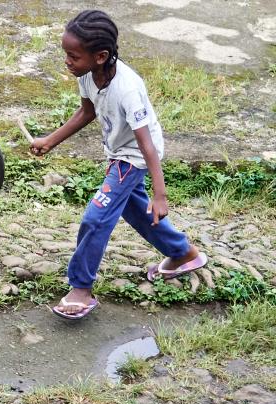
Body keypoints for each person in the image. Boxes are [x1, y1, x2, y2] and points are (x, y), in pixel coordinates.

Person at [29, 9, 206, 320]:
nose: (67, 61)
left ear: (101, 55)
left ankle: (81, 288)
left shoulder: (128, 88)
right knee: (135, 210)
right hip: (118, 152)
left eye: (73, 56)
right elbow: (87, 112)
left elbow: (147, 146)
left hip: (133, 158)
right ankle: (183, 254)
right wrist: (50, 140)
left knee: (96, 217)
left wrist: (160, 195)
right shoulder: (88, 74)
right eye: (66, 54)